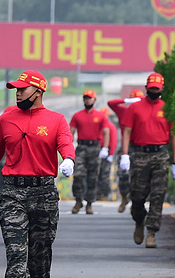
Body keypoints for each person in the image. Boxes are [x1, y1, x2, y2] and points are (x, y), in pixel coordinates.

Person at [0, 70, 74, 278]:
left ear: (38, 91)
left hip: (43, 192)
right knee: (16, 248)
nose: (18, 92)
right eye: (16, 89)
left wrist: (68, 159)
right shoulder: (6, 118)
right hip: (13, 192)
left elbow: (65, 141)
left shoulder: (56, 120)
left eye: (22, 89)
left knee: (40, 251)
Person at [118, 72, 174, 249]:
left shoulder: (167, 108)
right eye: (151, 88)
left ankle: (151, 232)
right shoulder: (135, 108)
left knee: (158, 195)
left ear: (162, 89)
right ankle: (139, 220)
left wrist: (174, 162)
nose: (154, 91)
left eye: (157, 89)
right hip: (140, 155)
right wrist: (125, 155)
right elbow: (126, 131)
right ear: (146, 88)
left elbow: (173, 136)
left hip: (160, 155)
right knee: (137, 195)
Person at [68, 89, 111, 215]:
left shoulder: (101, 116)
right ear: (83, 100)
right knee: (78, 175)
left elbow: (106, 132)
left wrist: (105, 148)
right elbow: (71, 132)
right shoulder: (77, 115)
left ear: (94, 100)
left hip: (95, 147)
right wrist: (69, 147)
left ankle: (89, 203)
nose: (88, 100)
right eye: (86, 98)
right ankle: (78, 200)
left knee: (93, 177)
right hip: (81, 147)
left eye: (90, 98)